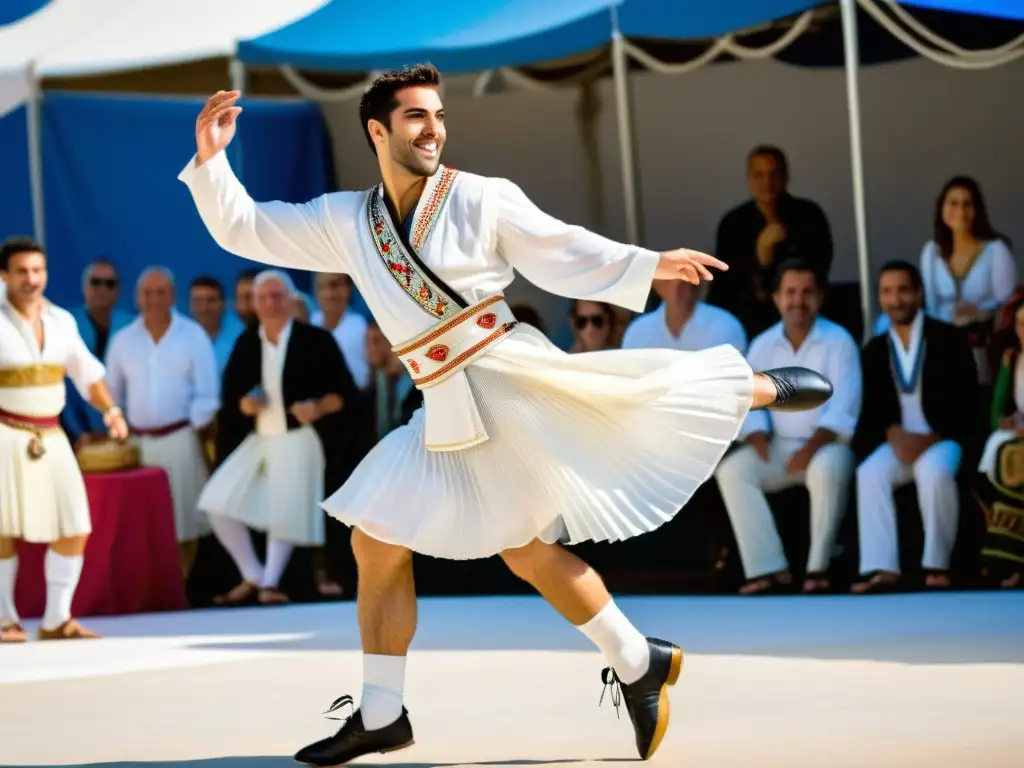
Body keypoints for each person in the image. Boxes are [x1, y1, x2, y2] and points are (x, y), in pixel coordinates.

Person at [178, 68, 832, 765]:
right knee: (401, 541)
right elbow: (248, 227)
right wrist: (213, 160)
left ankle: (750, 387)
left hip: (506, 378)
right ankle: (615, 665)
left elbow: (562, 248)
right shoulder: (346, 220)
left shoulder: (478, 197)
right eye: (415, 117)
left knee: (622, 403)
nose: (433, 128)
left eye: (437, 115)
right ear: (377, 130)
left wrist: (647, 263)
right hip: (442, 405)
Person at [199, 270, 359, 606]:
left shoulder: (315, 340)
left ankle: (270, 582)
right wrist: (245, 404)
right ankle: (254, 575)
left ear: (290, 300)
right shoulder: (246, 343)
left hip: (300, 438)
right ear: (254, 303)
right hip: (260, 438)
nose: (271, 303)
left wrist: (316, 407)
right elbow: (232, 399)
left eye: (278, 296)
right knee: (215, 501)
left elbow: (345, 394)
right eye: (264, 297)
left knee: (284, 510)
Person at [0, 237, 129, 642]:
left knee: (75, 522)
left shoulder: (61, 321)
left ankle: (56, 619)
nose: (31, 279)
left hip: (51, 435)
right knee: (2, 528)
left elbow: (88, 374)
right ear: (4, 275)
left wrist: (111, 411)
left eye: (37, 271)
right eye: (21, 271)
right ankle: (5, 619)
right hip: (4, 432)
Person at [852, 261, 981, 593]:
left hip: (943, 438)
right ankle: (882, 568)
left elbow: (967, 401)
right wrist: (892, 433)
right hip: (900, 442)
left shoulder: (949, 339)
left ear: (919, 293)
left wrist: (929, 439)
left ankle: (937, 565)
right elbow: (871, 410)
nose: (896, 300)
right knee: (870, 473)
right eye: (887, 292)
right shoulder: (875, 350)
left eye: (903, 290)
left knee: (933, 473)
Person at [105, 267, 220, 579]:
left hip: (180, 438)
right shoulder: (122, 340)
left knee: (185, 520)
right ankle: (152, 590)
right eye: (148, 293)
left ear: (173, 296)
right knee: (142, 525)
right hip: (137, 446)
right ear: (137, 297)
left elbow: (208, 392)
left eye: (161, 292)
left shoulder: (193, 335)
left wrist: (196, 427)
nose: (154, 299)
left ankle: (181, 587)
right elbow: (110, 393)